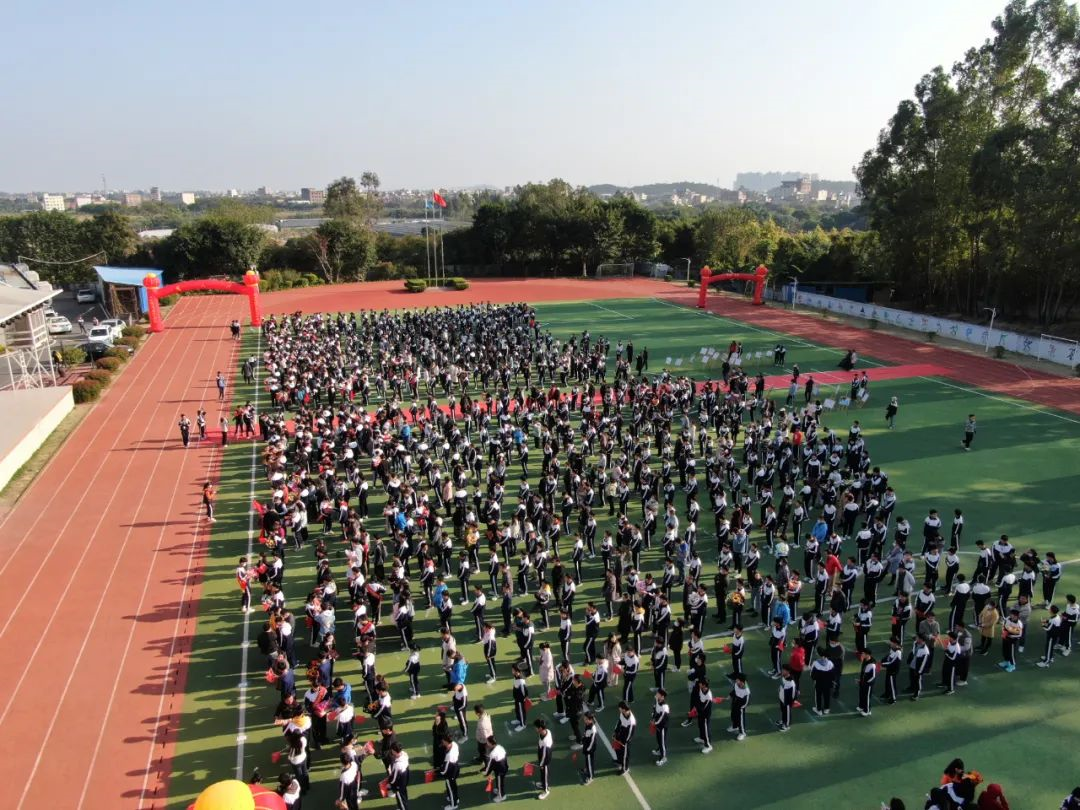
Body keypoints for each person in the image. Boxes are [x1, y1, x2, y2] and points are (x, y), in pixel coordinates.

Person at [533, 719, 553, 800]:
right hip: (542, 755)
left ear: (540, 728)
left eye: (536, 727)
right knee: (543, 773)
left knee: (544, 773)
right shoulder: (544, 732)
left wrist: (541, 764)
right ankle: (543, 783)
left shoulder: (546, 741)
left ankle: (546, 790)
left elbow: (545, 755)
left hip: (545, 760)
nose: (535, 729)